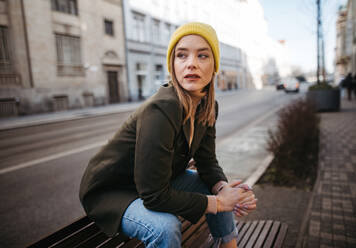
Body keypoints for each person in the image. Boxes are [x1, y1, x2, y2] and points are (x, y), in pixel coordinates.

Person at [79, 22, 257, 248]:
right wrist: (219, 203)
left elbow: (207, 162)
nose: (191, 63)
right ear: (173, 65)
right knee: (165, 226)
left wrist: (224, 189)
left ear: (214, 66)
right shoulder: (161, 109)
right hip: (115, 191)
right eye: (182, 55)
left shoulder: (207, 107)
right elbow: (154, 195)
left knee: (214, 186)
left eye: (202, 56)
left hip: (154, 182)